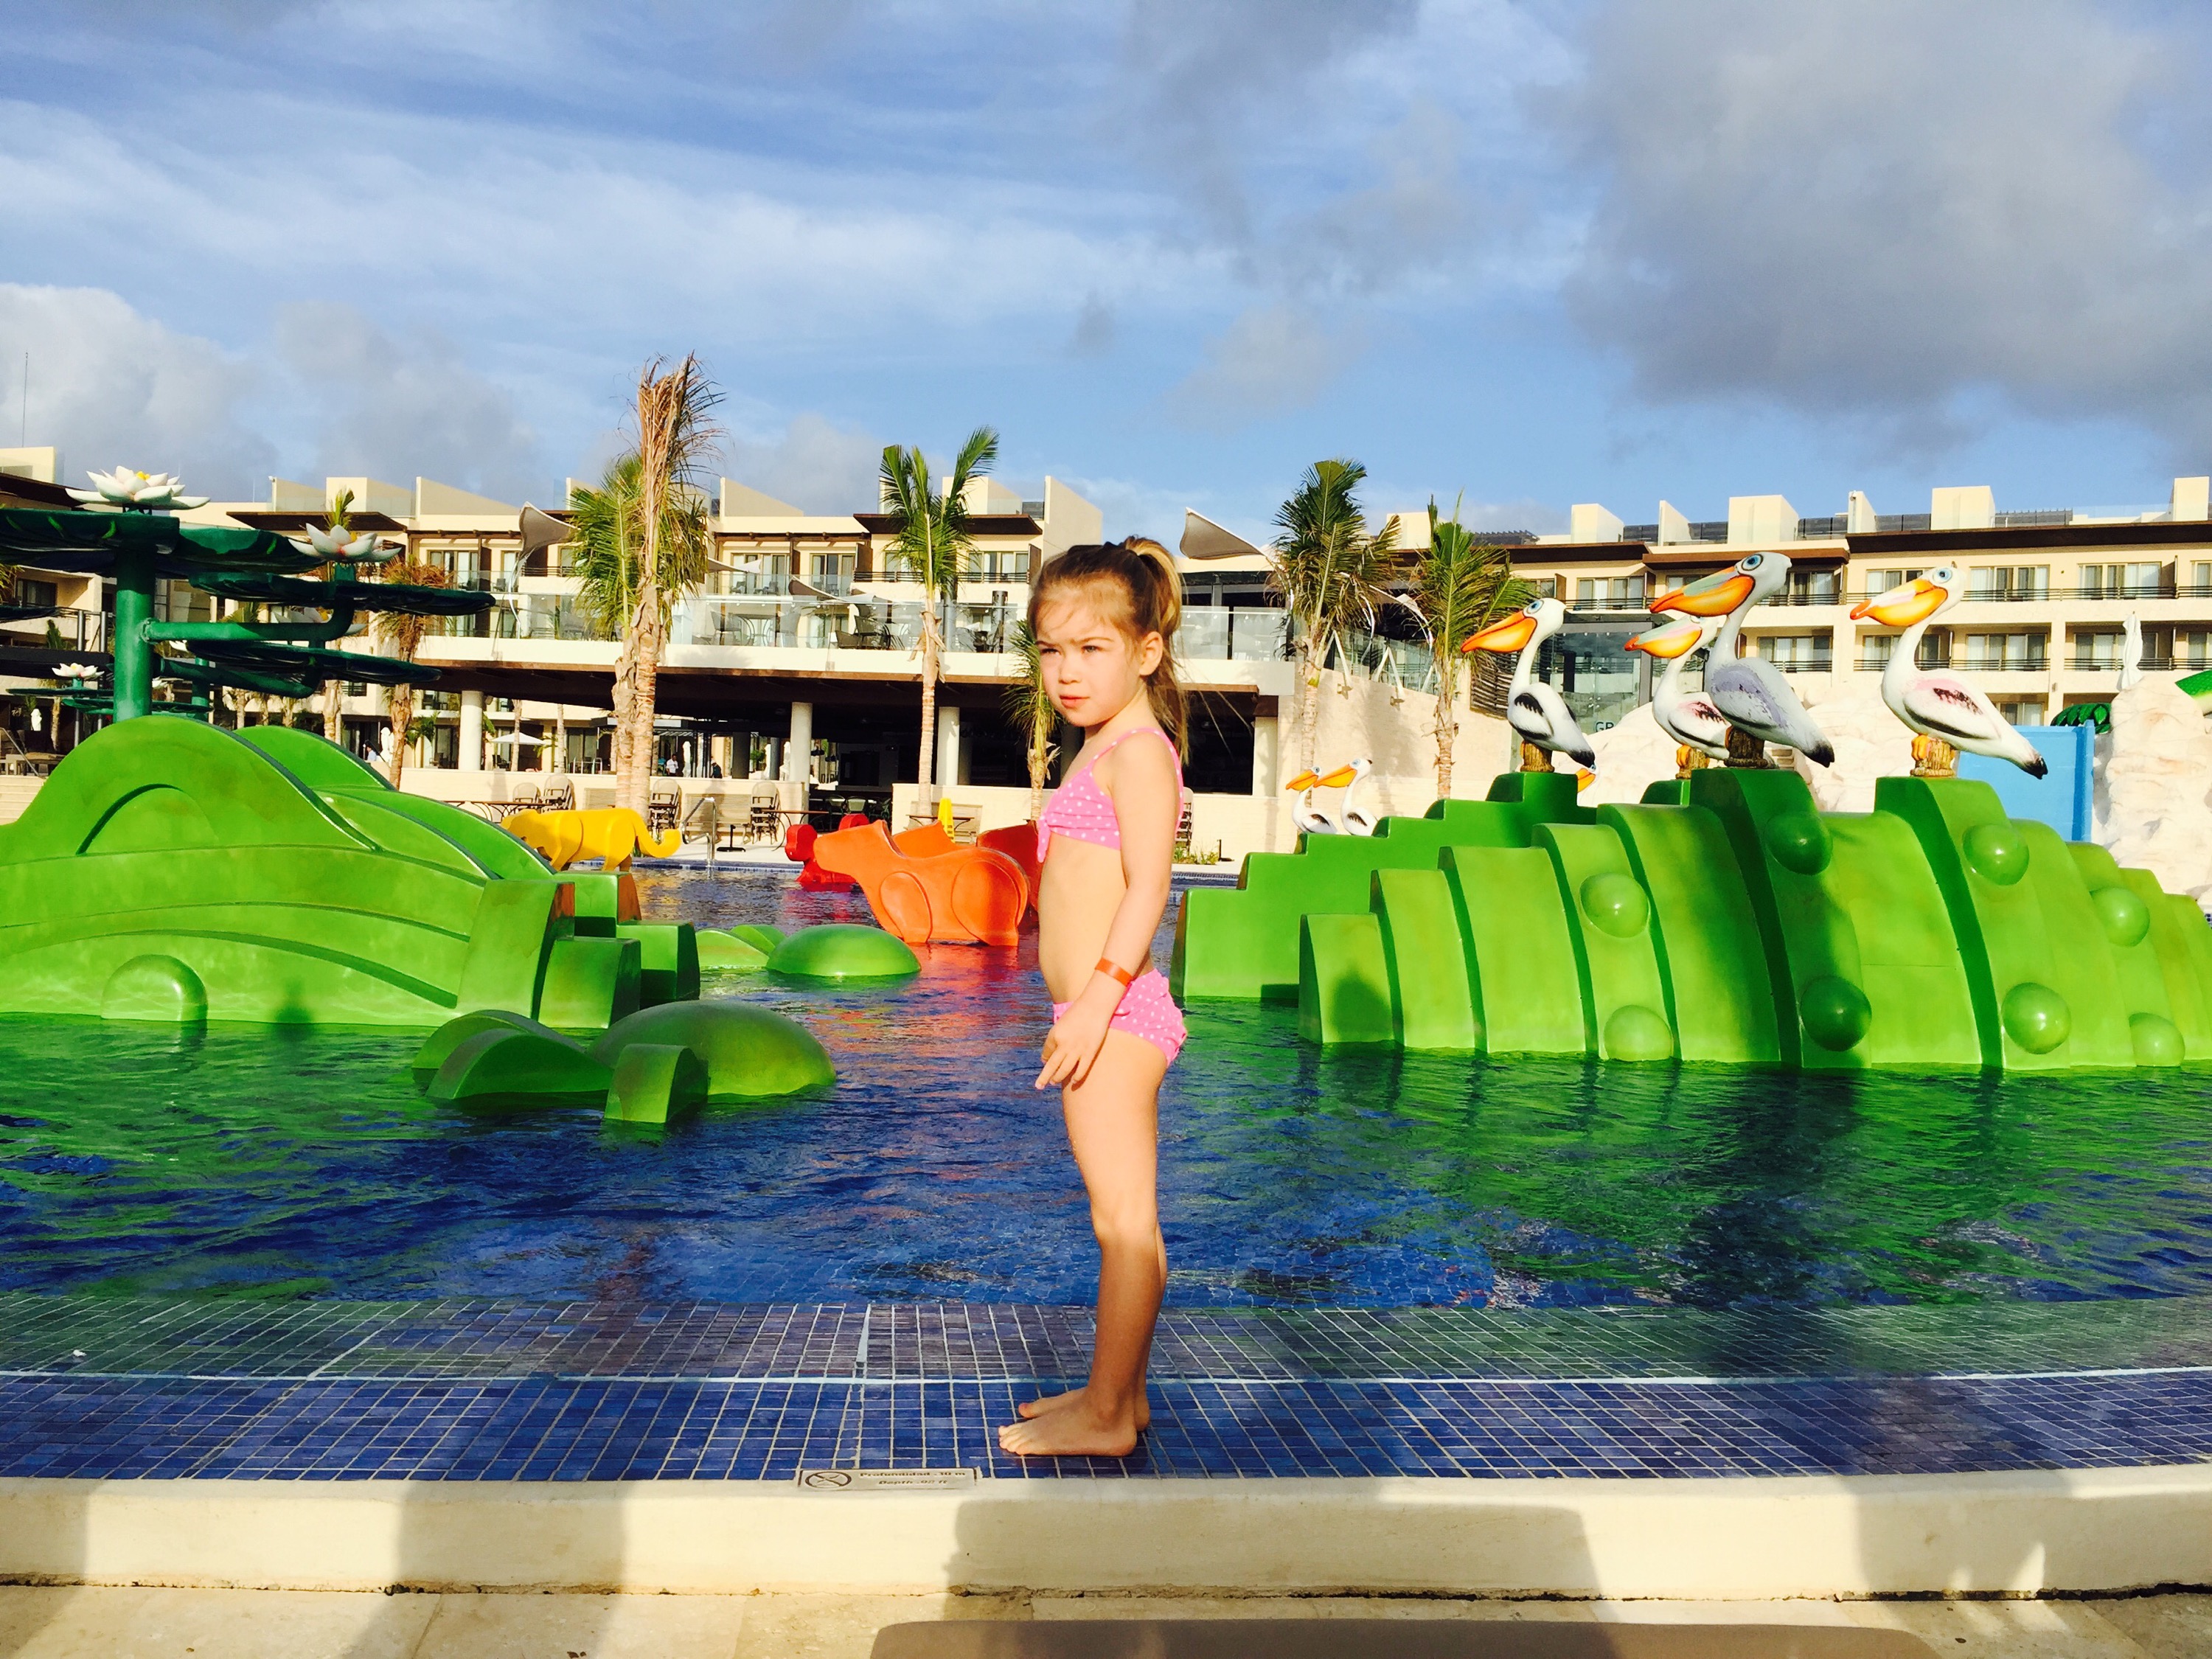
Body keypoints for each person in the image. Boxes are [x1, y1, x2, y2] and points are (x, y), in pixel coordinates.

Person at [998, 539, 1187, 1458]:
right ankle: (1123, 1393)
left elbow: (1150, 888)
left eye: (1091, 649)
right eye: (1050, 651)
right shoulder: (1101, 747)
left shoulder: (1140, 754)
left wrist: (1091, 1005)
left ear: (1146, 651)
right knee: (1120, 1219)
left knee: (1124, 1225)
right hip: (1101, 1013)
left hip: (1112, 1015)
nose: (1066, 672)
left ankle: (1107, 1417)